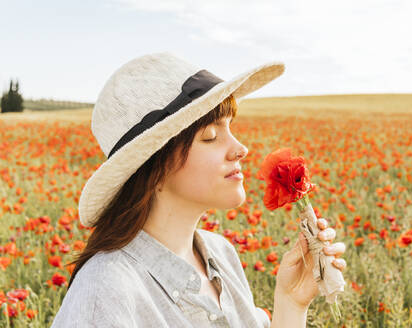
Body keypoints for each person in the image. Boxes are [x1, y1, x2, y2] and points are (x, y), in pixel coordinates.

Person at [50, 52, 347, 328]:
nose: (241, 149)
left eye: (231, 129)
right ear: (155, 167)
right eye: (211, 136)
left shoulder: (221, 254)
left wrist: (291, 302)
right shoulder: (107, 290)